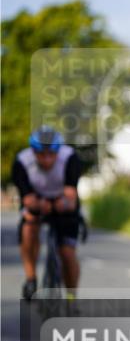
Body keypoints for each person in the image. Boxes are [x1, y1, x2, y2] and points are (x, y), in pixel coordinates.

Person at [11, 125, 83, 300]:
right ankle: (31, 278)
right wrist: (38, 206)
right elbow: (26, 199)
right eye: (41, 155)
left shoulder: (70, 157)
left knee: (67, 252)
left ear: (58, 152)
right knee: (28, 227)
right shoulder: (21, 161)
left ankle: (71, 296)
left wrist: (62, 204)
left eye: (51, 154)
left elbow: (71, 197)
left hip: (63, 202)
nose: (47, 160)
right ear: (33, 152)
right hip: (37, 200)